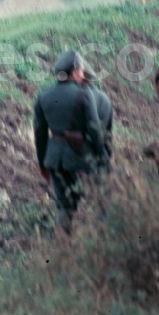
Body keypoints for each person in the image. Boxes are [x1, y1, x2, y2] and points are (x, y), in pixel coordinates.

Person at [33, 50, 104, 234]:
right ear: (74, 72)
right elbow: (95, 129)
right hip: (81, 157)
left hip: (55, 159)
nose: (82, 75)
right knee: (97, 201)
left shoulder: (42, 95)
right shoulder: (84, 94)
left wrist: (42, 163)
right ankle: (97, 244)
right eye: (80, 71)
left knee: (63, 207)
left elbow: (39, 134)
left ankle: (64, 247)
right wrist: (102, 155)